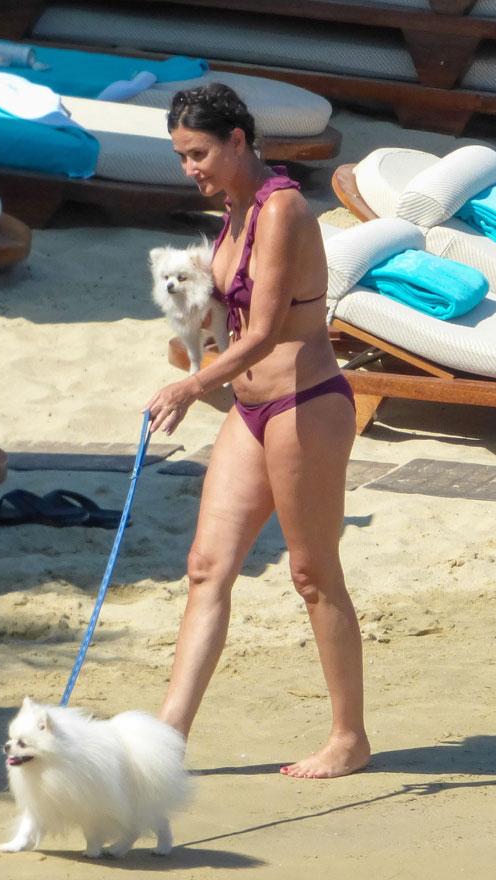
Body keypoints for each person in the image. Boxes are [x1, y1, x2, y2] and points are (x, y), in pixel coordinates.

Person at [145, 84, 369, 779]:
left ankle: (348, 737)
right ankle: (167, 739)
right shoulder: (233, 210)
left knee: (311, 572)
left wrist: (191, 384)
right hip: (250, 409)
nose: (190, 168)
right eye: (182, 156)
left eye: (199, 153)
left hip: (306, 403)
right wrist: (192, 337)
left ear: (238, 141)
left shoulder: (281, 209)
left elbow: (269, 328)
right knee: (206, 568)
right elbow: (232, 323)